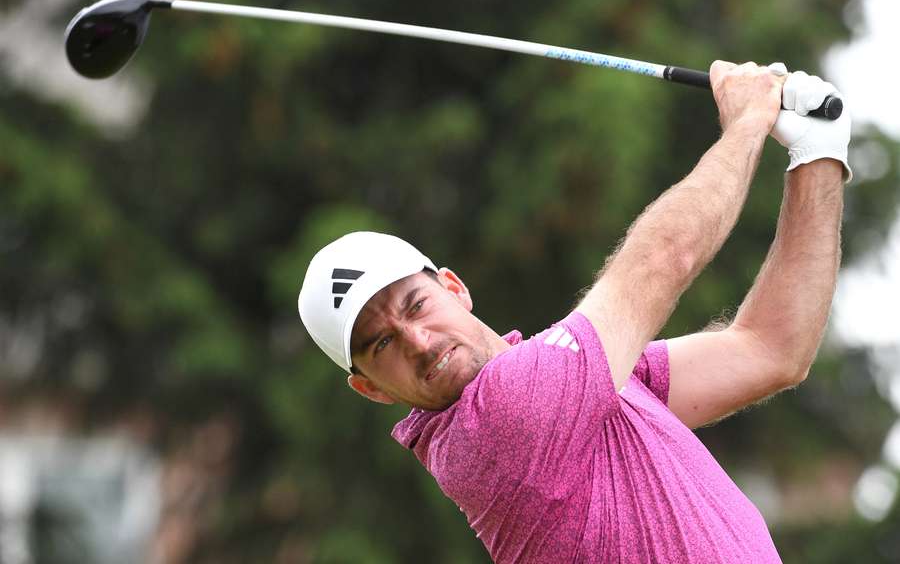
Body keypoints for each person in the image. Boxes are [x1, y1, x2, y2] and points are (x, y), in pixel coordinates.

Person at [297, 61, 851, 563]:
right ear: (372, 389)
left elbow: (769, 350)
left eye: (416, 305)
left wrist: (818, 156)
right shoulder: (499, 420)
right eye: (381, 345)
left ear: (453, 287)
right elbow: (663, 259)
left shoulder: (581, 385)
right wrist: (748, 121)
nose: (417, 341)